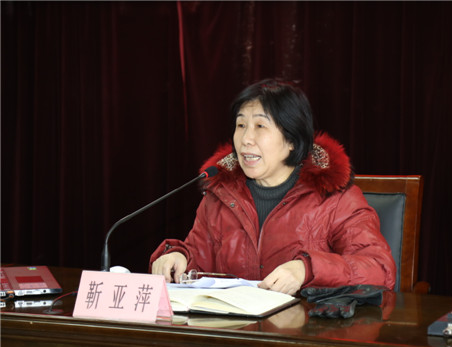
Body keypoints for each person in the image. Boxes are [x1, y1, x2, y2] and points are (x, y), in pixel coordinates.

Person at [150, 78, 395, 295]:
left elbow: (379, 269)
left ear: (291, 139)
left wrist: (307, 270)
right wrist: (179, 257)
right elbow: (198, 260)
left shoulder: (335, 197)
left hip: (308, 329)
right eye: (241, 125)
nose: (246, 139)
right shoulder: (220, 195)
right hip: (235, 329)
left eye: (260, 126)